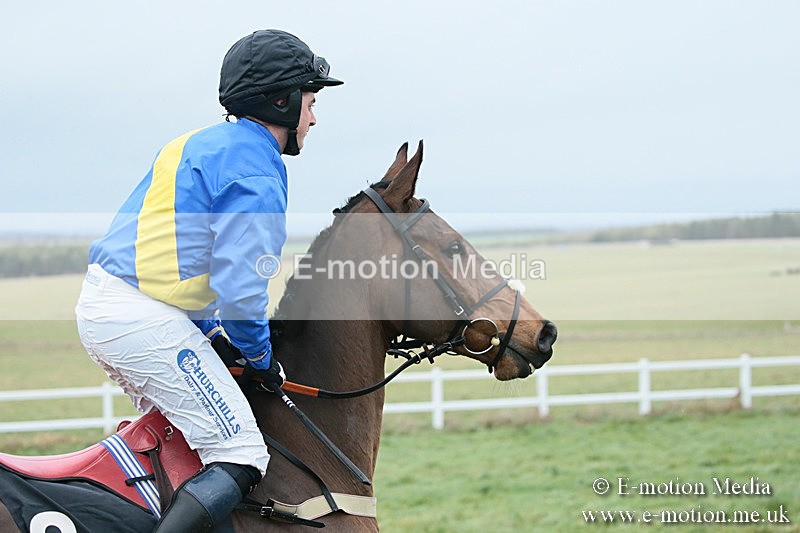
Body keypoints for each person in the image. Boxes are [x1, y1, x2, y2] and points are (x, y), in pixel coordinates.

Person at [75, 29, 342, 532]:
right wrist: (261, 358)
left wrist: (213, 332)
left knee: (185, 442)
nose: (313, 117)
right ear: (281, 101)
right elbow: (242, 288)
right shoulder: (257, 170)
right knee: (240, 451)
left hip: (113, 308)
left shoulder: (197, 143)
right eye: (310, 101)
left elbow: (174, 256)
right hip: (143, 321)